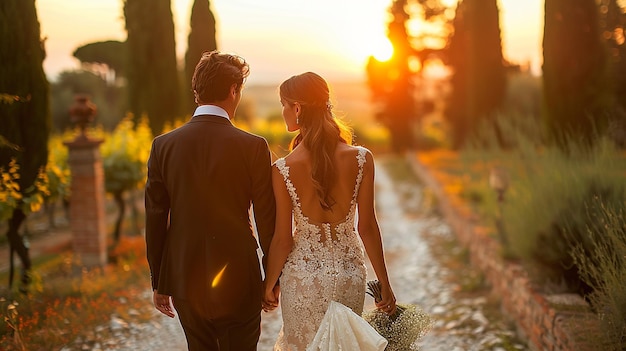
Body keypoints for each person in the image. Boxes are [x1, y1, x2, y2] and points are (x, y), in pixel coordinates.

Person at [144, 50, 276, 351]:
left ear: (196, 92)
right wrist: (272, 278)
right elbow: (266, 217)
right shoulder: (253, 146)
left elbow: (154, 216)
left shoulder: (162, 146)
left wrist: (159, 281)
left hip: (185, 274)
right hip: (240, 276)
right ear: (233, 90)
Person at [262, 72, 397, 350]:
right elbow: (367, 227)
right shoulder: (361, 158)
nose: (283, 111)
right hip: (349, 275)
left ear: (297, 108)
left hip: (303, 279)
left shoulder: (283, 169)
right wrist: (384, 282)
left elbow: (283, 240)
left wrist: (268, 285)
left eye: (284, 104)